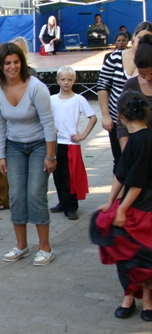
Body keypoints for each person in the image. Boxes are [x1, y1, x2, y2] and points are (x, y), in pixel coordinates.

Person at [0, 42, 57, 266]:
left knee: (36, 194)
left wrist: (51, 156)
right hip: (14, 147)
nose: (12, 67)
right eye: (7, 63)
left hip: (39, 145)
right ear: (0, 65)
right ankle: (21, 245)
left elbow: (48, 122)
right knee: (16, 195)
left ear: (22, 63)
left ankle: (45, 248)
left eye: (16, 62)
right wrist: (1, 156)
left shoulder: (36, 87)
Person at [90, 91, 152, 321]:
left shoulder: (144, 140)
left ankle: (147, 298)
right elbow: (121, 173)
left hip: (145, 206)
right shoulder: (134, 140)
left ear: (121, 116)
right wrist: (110, 202)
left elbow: (136, 182)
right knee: (123, 247)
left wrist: (122, 209)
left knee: (143, 254)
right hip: (133, 202)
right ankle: (129, 294)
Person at [0, 36, 39, 211]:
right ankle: (2, 198)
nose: (12, 63)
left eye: (18, 53)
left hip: (23, 128)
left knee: (22, 167)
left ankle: (21, 199)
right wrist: (1, 90)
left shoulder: (32, 74)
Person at [98, 22, 152, 168]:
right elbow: (103, 86)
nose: (143, 42)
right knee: (121, 161)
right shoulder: (115, 58)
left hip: (144, 124)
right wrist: (105, 115)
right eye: (141, 38)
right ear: (133, 37)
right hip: (119, 120)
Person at [49, 65, 97, 220]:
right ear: (57, 80)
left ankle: (71, 206)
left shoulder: (79, 99)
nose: (66, 83)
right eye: (63, 79)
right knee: (58, 175)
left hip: (71, 143)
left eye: (69, 80)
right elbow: (44, 116)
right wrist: (51, 128)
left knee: (71, 175)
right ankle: (62, 201)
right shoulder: (52, 100)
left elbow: (93, 117)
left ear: (74, 81)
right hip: (56, 143)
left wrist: (82, 135)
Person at [116, 34, 152, 145]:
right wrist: (126, 151)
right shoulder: (131, 85)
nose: (148, 78)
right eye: (142, 74)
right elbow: (122, 121)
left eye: (151, 73)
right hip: (140, 150)